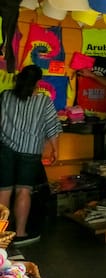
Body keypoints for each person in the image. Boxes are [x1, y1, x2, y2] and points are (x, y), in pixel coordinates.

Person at [0, 65, 62, 246]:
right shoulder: (44, 101)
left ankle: (1, 236)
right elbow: (52, 127)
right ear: (37, 83)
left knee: (3, 192)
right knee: (23, 191)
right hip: (30, 151)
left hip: (4, 150)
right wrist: (55, 149)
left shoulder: (5, 96)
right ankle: (20, 233)